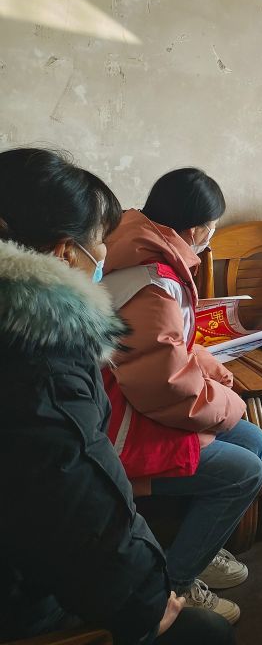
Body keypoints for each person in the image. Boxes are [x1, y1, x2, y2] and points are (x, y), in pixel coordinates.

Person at [0, 148, 234, 644]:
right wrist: (148, 596)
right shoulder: (43, 356)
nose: (106, 255)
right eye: (99, 243)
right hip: (23, 589)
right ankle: (181, 576)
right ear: (64, 253)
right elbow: (81, 490)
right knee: (207, 633)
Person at [102, 168, 262, 624]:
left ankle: (199, 546)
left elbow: (166, 348)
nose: (210, 236)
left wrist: (212, 370)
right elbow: (164, 384)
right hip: (121, 421)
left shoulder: (140, 248)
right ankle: (173, 584)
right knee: (245, 471)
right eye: (212, 227)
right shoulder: (152, 279)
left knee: (253, 439)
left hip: (133, 398)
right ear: (196, 230)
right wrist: (228, 402)